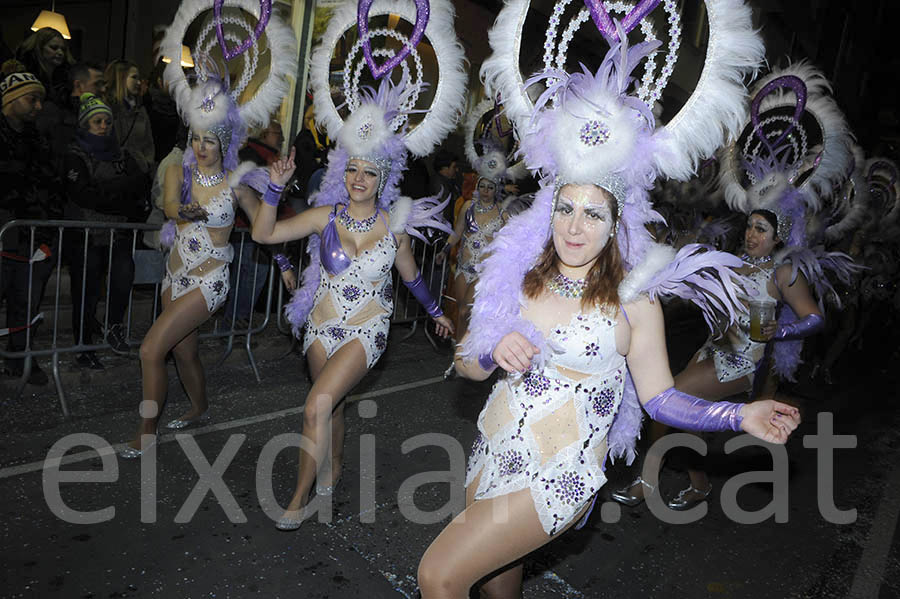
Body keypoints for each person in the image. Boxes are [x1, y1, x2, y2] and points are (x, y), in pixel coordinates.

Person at [416, 4, 782, 596]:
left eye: (593, 213)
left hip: (560, 473)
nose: (576, 226)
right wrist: (491, 353)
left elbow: (661, 398)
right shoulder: (520, 275)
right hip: (495, 448)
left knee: (437, 575)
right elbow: (465, 362)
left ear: (616, 223)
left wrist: (741, 415)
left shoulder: (635, 302)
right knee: (494, 587)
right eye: (566, 208)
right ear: (548, 210)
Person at [258, 0, 466, 530]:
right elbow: (264, 233)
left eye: (367, 174)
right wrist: (275, 189)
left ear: (383, 180)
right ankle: (335, 466)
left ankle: (298, 498)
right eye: (351, 169)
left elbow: (412, 277)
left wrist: (437, 312)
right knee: (333, 404)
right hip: (321, 325)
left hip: (366, 329)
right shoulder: (324, 214)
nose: (357, 180)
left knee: (315, 404)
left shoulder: (394, 228)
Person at [612, 65, 856, 510]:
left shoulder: (786, 273)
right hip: (712, 350)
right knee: (674, 414)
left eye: (761, 229)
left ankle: (645, 486)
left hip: (741, 363)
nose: (752, 235)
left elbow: (815, 319)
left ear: (779, 235)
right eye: (750, 227)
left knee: (663, 403)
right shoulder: (739, 261)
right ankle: (699, 480)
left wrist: (776, 334)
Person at [118, 0, 298, 456]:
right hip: (175, 273)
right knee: (183, 352)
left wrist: (275, 199)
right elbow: (171, 207)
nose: (200, 147)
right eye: (196, 139)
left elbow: (263, 225)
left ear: (224, 143)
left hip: (209, 279)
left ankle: (145, 434)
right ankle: (200, 407)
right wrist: (184, 214)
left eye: (209, 141)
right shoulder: (180, 168)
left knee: (150, 349)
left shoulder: (237, 182)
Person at [63, 93, 149, 365]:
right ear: (85, 124)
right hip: (86, 235)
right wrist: (119, 194)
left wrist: (110, 193)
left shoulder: (123, 156)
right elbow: (83, 195)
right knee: (86, 290)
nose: (103, 126)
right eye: (97, 122)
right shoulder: (75, 155)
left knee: (123, 277)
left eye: (107, 122)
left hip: (118, 233)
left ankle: (113, 327)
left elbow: (138, 190)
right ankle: (83, 345)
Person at [0, 60, 65, 385]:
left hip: (31, 234)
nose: (38, 107)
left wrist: (47, 236)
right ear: (11, 99)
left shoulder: (38, 141)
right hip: (5, 231)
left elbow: (51, 185)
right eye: (31, 99)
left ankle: (20, 356)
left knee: (26, 300)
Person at [15, 27, 73, 137]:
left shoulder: (66, 77)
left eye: (63, 49)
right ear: (39, 48)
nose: (60, 52)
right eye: (54, 48)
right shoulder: (24, 75)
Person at [104, 59, 155, 175]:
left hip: (138, 171)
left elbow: (148, 143)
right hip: (113, 172)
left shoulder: (140, 110)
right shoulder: (107, 108)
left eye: (139, 78)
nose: (138, 82)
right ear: (120, 78)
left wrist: (147, 163)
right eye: (134, 77)